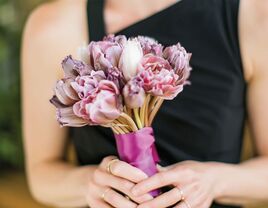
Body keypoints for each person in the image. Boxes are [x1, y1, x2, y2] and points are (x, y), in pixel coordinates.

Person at [21, 0, 268, 208]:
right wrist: (89, 184)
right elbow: (42, 174)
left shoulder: (253, 16)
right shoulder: (53, 27)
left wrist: (213, 181)